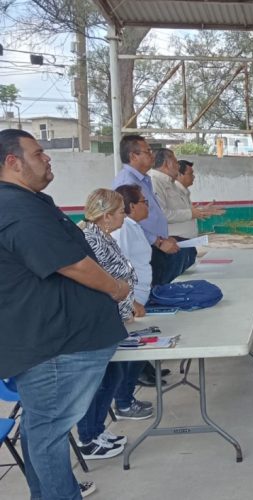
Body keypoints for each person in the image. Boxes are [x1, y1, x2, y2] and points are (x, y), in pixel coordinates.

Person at [0, 129, 129, 499]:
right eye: (39, 153)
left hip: (54, 342)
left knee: (42, 431)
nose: (48, 158)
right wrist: (115, 288)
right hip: (53, 348)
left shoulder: (27, 202)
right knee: (46, 433)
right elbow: (72, 264)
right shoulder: (16, 209)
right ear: (13, 162)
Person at [75, 188, 141, 459]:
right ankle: (87, 438)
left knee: (112, 375)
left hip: (115, 315)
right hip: (101, 319)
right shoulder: (91, 239)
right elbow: (101, 280)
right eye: (122, 212)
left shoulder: (102, 235)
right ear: (106, 216)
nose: (125, 216)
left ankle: (96, 429)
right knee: (100, 379)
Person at [112, 135, 194, 286]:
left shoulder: (143, 179)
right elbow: (125, 221)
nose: (152, 155)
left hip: (155, 244)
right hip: (146, 246)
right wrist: (157, 241)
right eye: (147, 151)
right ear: (133, 156)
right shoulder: (127, 182)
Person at [112, 184, 160, 417]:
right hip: (131, 301)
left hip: (141, 295)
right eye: (144, 201)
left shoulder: (133, 227)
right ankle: (123, 401)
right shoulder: (122, 230)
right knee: (131, 356)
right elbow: (116, 269)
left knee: (140, 354)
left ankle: (126, 397)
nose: (147, 205)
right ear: (131, 206)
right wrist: (130, 301)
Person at [163, 159, 224, 238]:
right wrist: (197, 212)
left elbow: (185, 211)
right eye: (190, 174)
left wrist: (202, 210)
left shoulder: (183, 191)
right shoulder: (172, 192)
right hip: (177, 239)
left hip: (186, 239)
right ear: (179, 174)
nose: (194, 176)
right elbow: (170, 215)